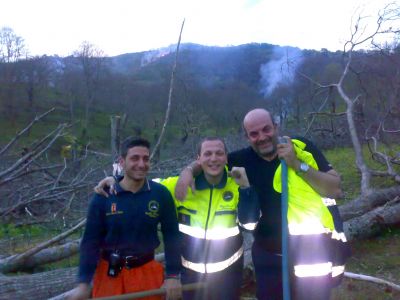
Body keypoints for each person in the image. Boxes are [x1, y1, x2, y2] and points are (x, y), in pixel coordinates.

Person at [175, 109, 350, 300]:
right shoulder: (240, 160)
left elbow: (334, 188)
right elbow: (211, 161)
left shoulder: (300, 147)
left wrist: (297, 164)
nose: (262, 137)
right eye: (254, 133)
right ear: (247, 137)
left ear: (276, 127)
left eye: (266, 129)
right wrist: (189, 170)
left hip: (311, 254)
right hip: (268, 257)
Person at [95, 137, 259, 300]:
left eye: (219, 153)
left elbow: (250, 225)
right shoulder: (178, 185)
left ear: (225, 158)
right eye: (207, 154)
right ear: (198, 159)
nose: (214, 158)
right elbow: (140, 187)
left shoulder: (237, 185)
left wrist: (246, 189)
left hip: (228, 277)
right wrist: (116, 180)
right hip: (190, 276)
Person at [70, 138, 181, 300]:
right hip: (109, 274)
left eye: (146, 159)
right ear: (122, 161)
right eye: (135, 158)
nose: (141, 164)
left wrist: (172, 276)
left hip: (147, 273)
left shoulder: (160, 194)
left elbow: (172, 236)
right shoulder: (104, 195)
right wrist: (83, 283)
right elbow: (90, 240)